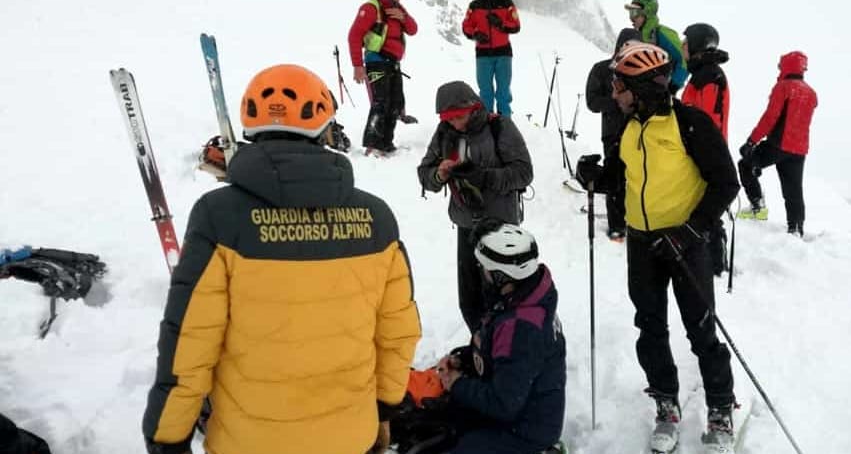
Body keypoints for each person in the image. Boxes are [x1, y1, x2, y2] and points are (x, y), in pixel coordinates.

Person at [142, 64, 421, 454]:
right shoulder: (376, 220)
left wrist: (168, 437)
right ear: (324, 127)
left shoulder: (219, 216)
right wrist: (386, 406)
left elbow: (190, 342)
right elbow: (397, 332)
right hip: (349, 436)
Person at [609, 43, 740, 453]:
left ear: (645, 87)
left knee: (701, 329)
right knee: (649, 327)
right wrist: (598, 174)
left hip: (686, 244)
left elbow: (726, 183)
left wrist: (690, 231)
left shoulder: (690, 124)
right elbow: (621, 173)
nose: (615, 93)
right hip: (642, 242)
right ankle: (666, 403)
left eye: (621, 86)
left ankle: (720, 407)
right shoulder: (630, 126)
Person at [390, 221, 566, 454]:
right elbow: (500, 352)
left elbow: (504, 404)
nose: (481, 274)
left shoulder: (522, 326)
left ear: (503, 276)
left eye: (484, 269)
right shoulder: (522, 298)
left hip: (525, 429)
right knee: (431, 421)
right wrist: (465, 358)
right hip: (510, 405)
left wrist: (457, 383)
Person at [417, 81, 533, 333]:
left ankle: (508, 350)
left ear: (473, 107)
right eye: (449, 119)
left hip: (501, 228)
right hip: (467, 226)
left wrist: (485, 177)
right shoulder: (444, 132)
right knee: (470, 300)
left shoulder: (499, 127)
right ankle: (482, 347)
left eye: (459, 117)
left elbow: (524, 172)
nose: (455, 124)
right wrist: (439, 174)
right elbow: (424, 173)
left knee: (504, 297)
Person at [736, 51, 818, 236]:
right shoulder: (811, 93)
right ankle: (796, 228)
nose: (779, 69)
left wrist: (751, 142)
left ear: (787, 66)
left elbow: (770, 117)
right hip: (799, 149)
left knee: (745, 164)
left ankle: (758, 208)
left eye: (780, 66)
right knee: (793, 190)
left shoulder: (783, 87)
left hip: (778, 145)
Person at [348, 0, 419, 155]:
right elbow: (354, 36)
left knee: (395, 103)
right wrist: (357, 66)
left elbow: (413, 29)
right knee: (380, 103)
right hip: (376, 61)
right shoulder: (371, 8)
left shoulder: (397, 9)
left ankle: (386, 143)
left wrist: (403, 17)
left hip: (393, 63)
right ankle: (372, 146)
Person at [680, 23, 731, 275]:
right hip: (699, 148)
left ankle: (714, 261)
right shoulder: (702, 73)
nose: (682, 46)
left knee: (707, 203)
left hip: (706, 151)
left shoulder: (709, 76)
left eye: (686, 42)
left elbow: (707, 119)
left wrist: (696, 147)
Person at [584, 27, 640, 241]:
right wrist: (618, 102)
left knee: (638, 179)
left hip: (640, 133)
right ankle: (617, 226)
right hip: (613, 133)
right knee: (615, 180)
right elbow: (592, 102)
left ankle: (638, 222)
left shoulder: (642, 72)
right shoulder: (602, 69)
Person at [461, 0, 521, 116]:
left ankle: (504, 120)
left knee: (503, 90)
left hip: (503, 54)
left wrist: (501, 25)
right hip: (483, 55)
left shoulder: (507, 4)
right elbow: (466, 26)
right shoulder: (475, 6)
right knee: (485, 90)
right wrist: (475, 35)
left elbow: (516, 26)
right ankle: (486, 119)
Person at [623, 0, 688, 93]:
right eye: (630, 13)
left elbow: (683, 60)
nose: (631, 18)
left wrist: (672, 86)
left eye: (635, 12)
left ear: (647, 12)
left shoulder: (663, 33)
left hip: (661, 92)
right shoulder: (634, 38)